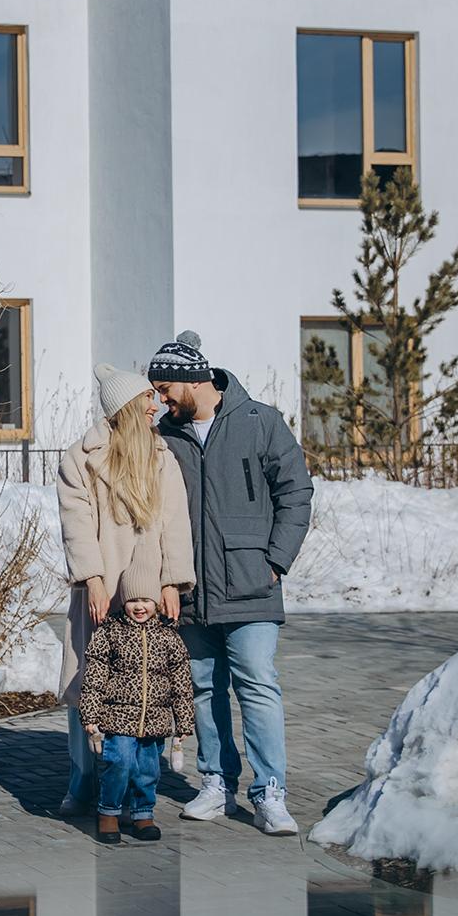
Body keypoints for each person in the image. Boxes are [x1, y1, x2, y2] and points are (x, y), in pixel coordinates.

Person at [148, 329, 314, 836]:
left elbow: (296, 491)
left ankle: (269, 794)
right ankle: (216, 783)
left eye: (163, 388)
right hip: (191, 586)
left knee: (258, 687)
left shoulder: (259, 421)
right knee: (202, 688)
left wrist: (277, 559)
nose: (159, 398)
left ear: (192, 381)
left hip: (250, 584)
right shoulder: (166, 435)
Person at [55, 362, 194, 819]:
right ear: (126, 408)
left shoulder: (161, 456)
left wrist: (171, 581)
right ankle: (84, 781)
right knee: (90, 682)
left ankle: (138, 791)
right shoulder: (81, 456)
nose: (156, 405)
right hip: (101, 583)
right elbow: (76, 524)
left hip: (145, 587)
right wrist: (92, 578)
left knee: (145, 684)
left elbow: (174, 523)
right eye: (147, 399)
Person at [77, 588, 194, 845]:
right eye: (133, 600)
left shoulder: (168, 637)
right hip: (118, 716)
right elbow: (95, 678)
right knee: (119, 761)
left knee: (148, 769)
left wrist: (184, 719)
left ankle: (143, 813)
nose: (139, 607)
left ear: (156, 603)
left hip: (155, 718)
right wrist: (90, 714)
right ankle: (108, 811)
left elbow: (182, 683)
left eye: (145, 600)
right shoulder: (109, 632)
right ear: (124, 602)